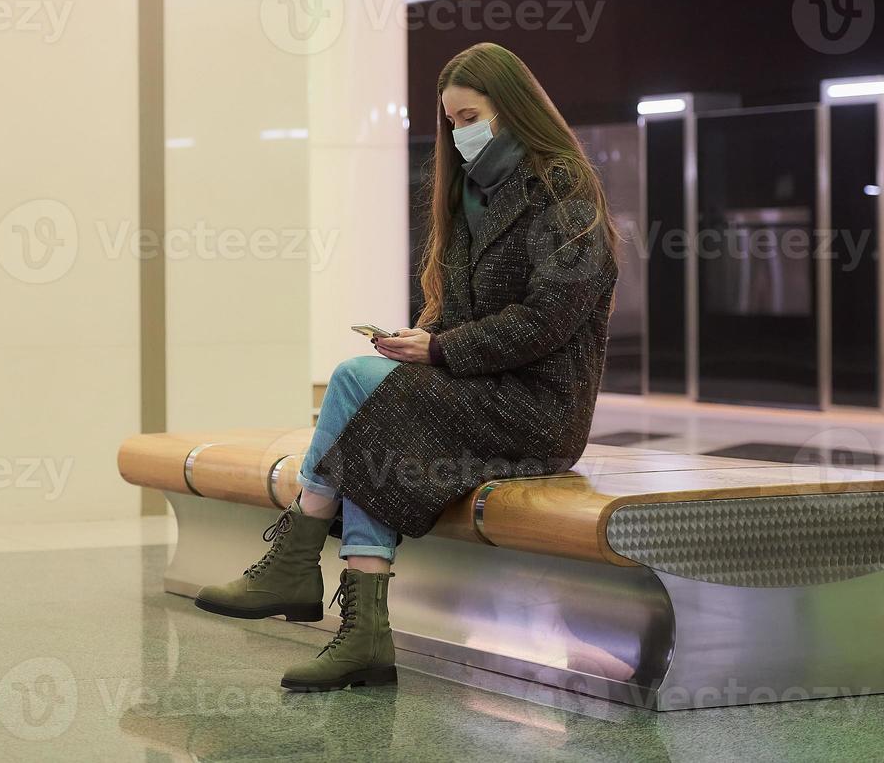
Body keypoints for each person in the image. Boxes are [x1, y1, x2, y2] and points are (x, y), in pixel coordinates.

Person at [193, 41, 621, 693]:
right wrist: (420, 336)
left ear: (510, 108)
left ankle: (301, 562)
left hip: (539, 409)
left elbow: (547, 321)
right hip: (481, 389)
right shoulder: (472, 197)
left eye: (469, 116)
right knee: (370, 392)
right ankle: (346, 615)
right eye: (451, 121)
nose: (459, 132)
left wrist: (439, 351)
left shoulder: (565, 194)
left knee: (356, 383)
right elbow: (458, 311)